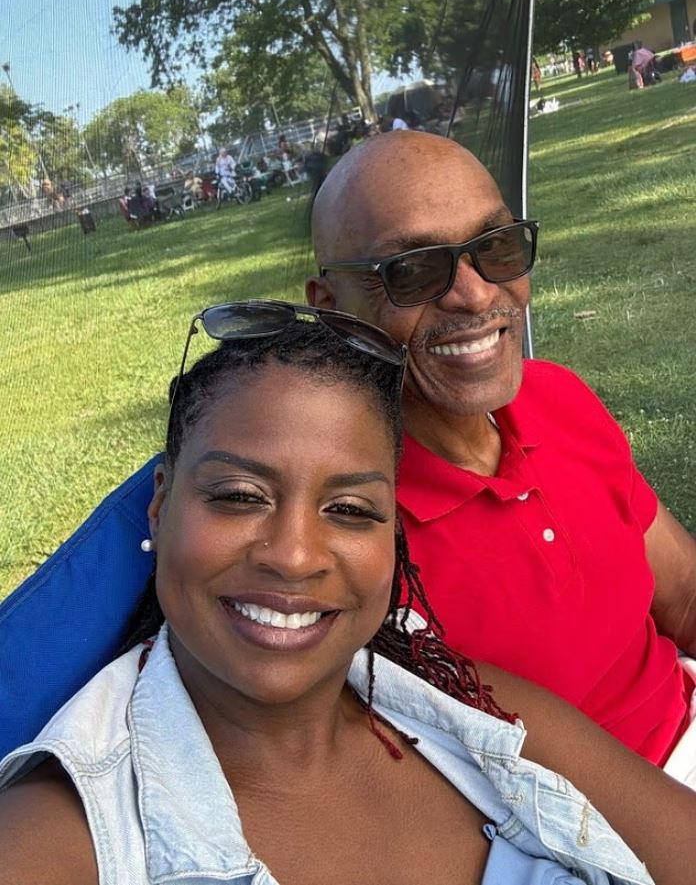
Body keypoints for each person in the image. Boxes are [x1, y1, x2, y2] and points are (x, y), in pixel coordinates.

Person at [1, 302, 695, 885]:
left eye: (352, 510)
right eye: (239, 496)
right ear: (159, 506)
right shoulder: (57, 843)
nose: (295, 555)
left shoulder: (474, 707)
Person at [307, 130, 696, 785]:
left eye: (496, 247)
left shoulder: (557, 397)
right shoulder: (351, 529)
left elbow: (683, 595)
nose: (477, 294)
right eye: (413, 271)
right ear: (333, 311)